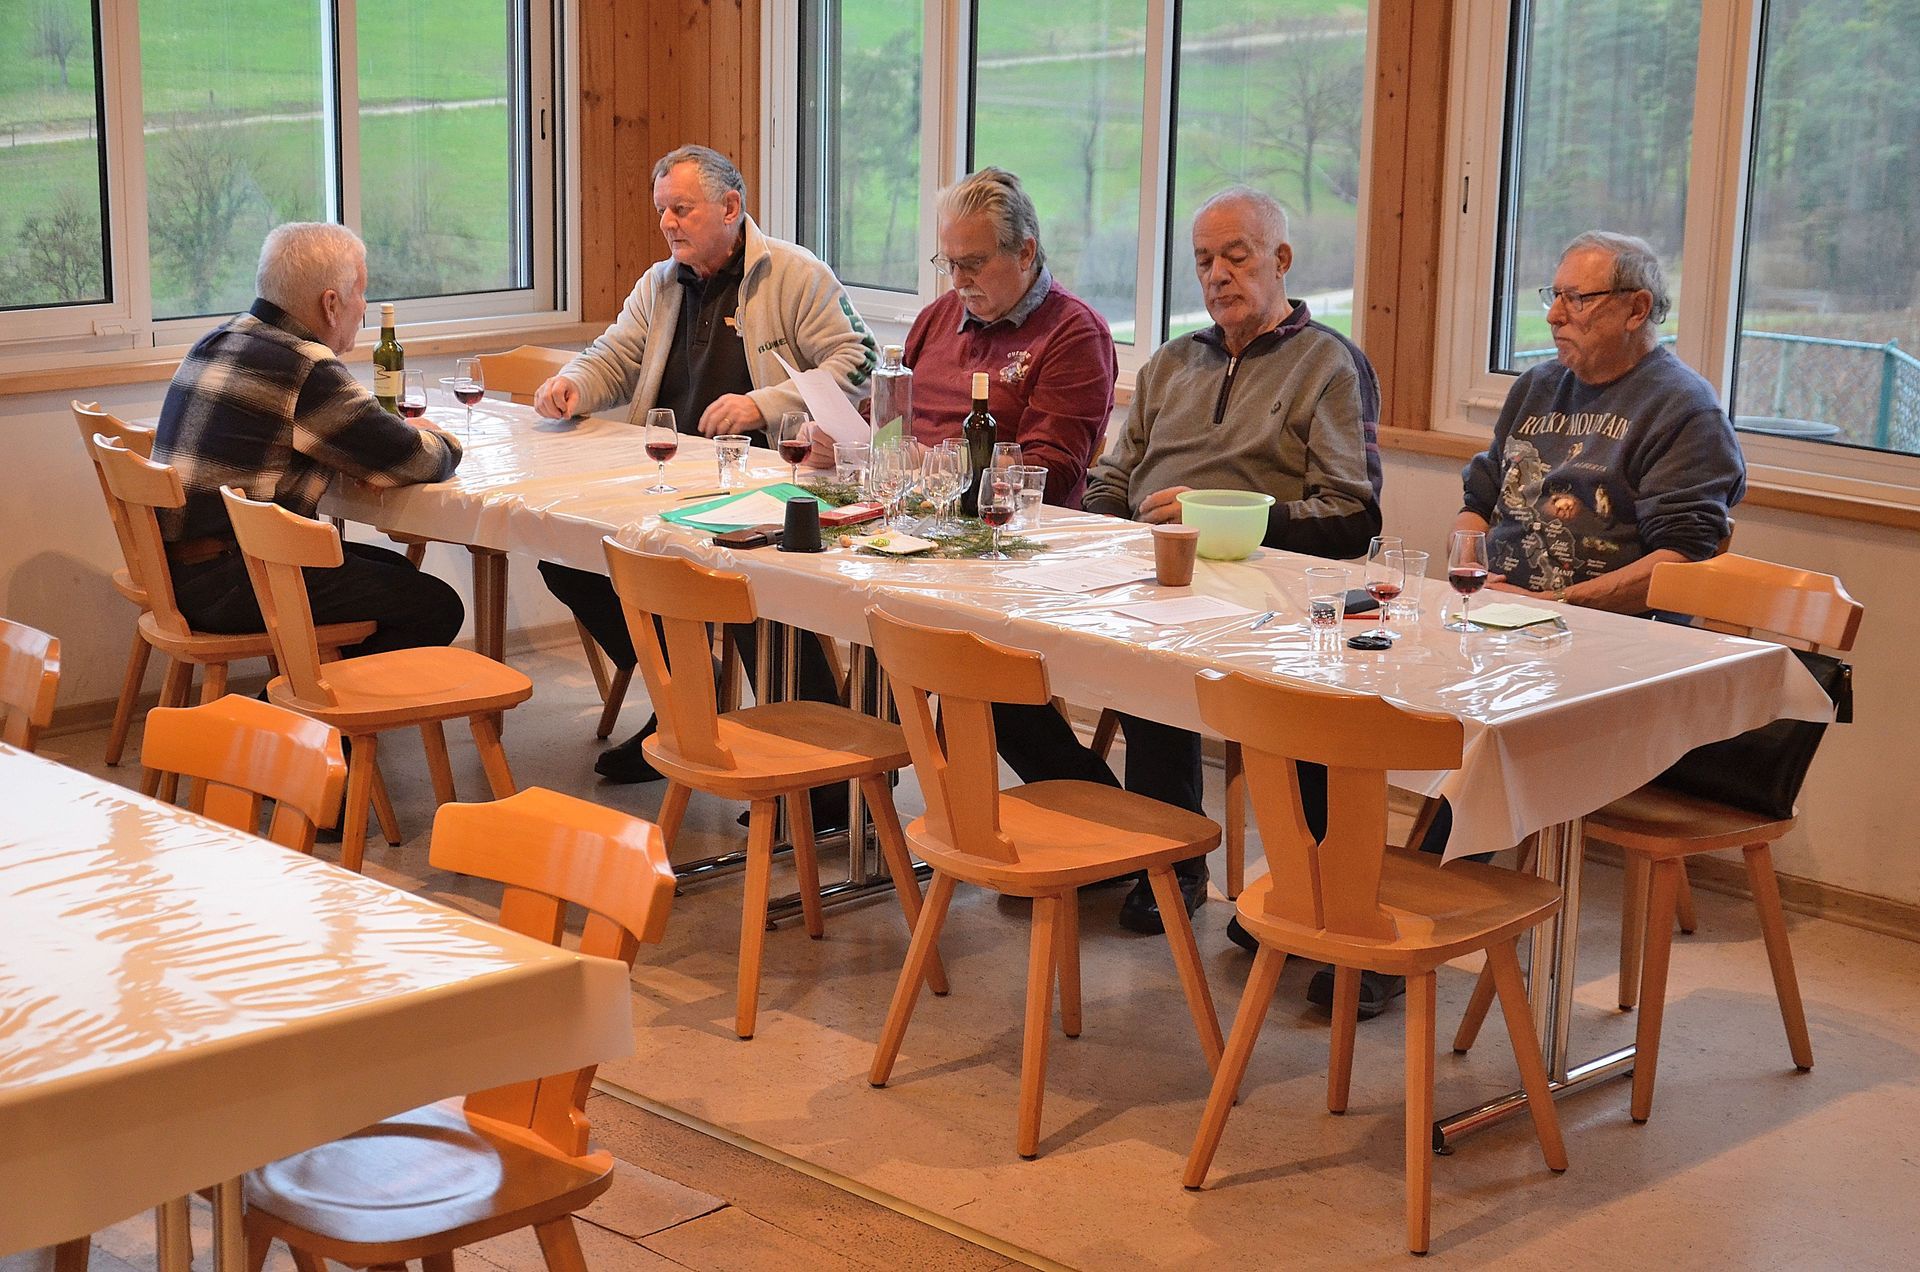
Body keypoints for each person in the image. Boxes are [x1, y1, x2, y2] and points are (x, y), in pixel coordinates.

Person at [1027, 186, 1383, 937]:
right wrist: (1116, 534)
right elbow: (1110, 479)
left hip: (1271, 595)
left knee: (1251, 683)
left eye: (1236, 257)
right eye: (1203, 261)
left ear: (1281, 260)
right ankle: (1155, 854)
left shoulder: (1328, 364)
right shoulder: (1171, 362)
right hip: (1149, 575)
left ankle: (1310, 895)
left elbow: (1353, 513)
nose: (1217, 275)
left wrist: (1221, 519)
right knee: (1004, 652)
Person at [533, 144, 877, 793]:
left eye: (682, 209)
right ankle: (686, 698)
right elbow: (614, 356)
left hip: (768, 478)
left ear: (730, 206)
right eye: (662, 210)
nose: (668, 223)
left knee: (744, 579)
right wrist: (573, 383)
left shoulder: (796, 274)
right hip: (671, 475)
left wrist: (764, 403)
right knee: (565, 550)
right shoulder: (661, 283)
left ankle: (820, 776)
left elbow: (860, 359)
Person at [154, 222, 464, 658]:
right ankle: (301, 699)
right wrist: (442, 440)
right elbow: (413, 459)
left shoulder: (220, 339)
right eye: (361, 292)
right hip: (237, 579)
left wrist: (373, 449)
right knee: (435, 606)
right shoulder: (305, 366)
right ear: (331, 304)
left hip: (178, 572)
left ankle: (310, 690)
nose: (365, 306)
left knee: (395, 569)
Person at [1459, 230, 1744, 613]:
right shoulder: (1535, 387)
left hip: (1610, 630)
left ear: (1637, 310)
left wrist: (1552, 604)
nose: (1553, 315)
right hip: (1497, 614)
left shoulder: (1684, 409)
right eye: (1554, 295)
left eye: (1576, 298)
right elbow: (1477, 505)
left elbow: (1681, 559)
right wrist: (1470, 569)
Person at [897, 166, 1115, 505]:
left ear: (1025, 253)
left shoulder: (1076, 335)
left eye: (973, 263)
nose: (958, 280)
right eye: (950, 264)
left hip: (1002, 523)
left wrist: (938, 465)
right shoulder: (937, 316)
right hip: (912, 508)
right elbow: (885, 419)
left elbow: (1049, 474)